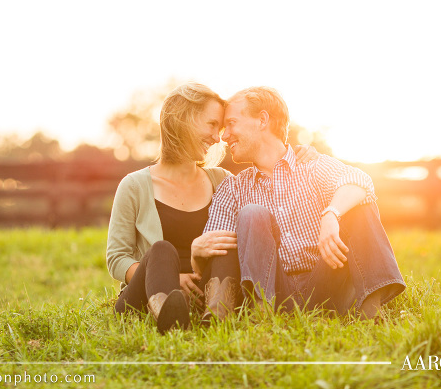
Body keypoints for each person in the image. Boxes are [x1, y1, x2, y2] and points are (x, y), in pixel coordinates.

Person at [106, 83, 317, 333]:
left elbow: (263, 224)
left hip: (204, 292)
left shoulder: (221, 180)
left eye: (222, 127)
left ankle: (216, 316)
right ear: (184, 119)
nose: (218, 138)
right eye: (212, 125)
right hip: (148, 292)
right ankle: (168, 316)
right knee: (161, 250)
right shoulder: (135, 185)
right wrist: (170, 278)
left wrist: (296, 155)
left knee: (224, 242)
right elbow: (117, 258)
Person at [192, 86, 406, 322]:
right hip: (275, 290)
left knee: (359, 205)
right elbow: (216, 247)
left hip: (327, 285)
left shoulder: (313, 166)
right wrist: (196, 253)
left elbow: (360, 180)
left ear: (262, 120)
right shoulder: (233, 187)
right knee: (252, 213)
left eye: (231, 123)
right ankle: (261, 315)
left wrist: (331, 214)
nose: (224, 135)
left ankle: (370, 311)